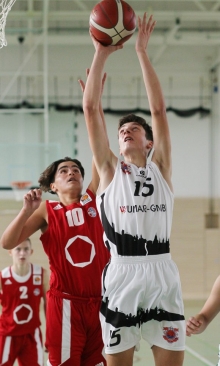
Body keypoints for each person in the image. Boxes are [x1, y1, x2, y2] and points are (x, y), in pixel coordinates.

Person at [82, 12, 185, 366]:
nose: (125, 131)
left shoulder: (162, 167)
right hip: (122, 273)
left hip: (162, 273)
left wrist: (141, 51)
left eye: (133, 129)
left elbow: (158, 109)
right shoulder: (110, 169)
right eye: (121, 130)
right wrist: (102, 52)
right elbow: (92, 108)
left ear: (149, 141)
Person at [0, 154, 110, 365]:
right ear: (53, 186)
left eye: (76, 170)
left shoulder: (93, 199)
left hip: (101, 303)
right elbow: (7, 242)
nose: (72, 172)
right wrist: (25, 211)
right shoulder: (47, 210)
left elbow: (99, 149)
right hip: (66, 304)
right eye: (64, 170)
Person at [0, 238, 48, 366]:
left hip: (31, 334)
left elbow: (48, 306)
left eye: (26, 249)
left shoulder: (41, 274)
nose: (22, 253)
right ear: (10, 252)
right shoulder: (3, 277)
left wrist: (50, 332)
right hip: (8, 334)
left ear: (31, 251)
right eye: (18, 249)